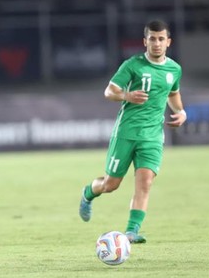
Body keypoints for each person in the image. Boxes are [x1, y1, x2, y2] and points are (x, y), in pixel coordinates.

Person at [78, 19, 187, 243]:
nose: (156, 43)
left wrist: (182, 112)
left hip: (153, 137)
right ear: (145, 41)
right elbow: (110, 91)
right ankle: (89, 192)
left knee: (145, 182)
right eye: (152, 39)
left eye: (161, 39)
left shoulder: (174, 69)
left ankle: (131, 231)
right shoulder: (132, 65)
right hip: (126, 133)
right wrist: (127, 95)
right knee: (111, 185)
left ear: (168, 42)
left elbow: (172, 93)